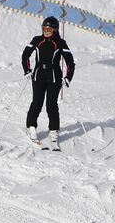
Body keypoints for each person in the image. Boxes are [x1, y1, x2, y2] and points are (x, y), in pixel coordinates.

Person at [21, 16, 75, 148]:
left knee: (51, 105)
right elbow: (25, 54)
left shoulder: (60, 43)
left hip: (54, 78)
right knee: (37, 102)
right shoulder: (37, 40)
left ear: (55, 30)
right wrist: (27, 70)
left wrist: (68, 77)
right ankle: (31, 127)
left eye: (49, 29)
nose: (45, 31)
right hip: (38, 77)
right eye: (44, 28)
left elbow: (70, 61)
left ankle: (54, 130)